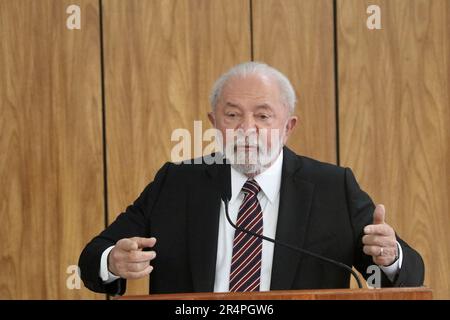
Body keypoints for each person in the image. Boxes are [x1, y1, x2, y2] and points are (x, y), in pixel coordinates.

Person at [79, 62, 424, 295]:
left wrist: (389, 256)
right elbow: (92, 259)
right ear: (214, 123)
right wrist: (112, 261)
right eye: (232, 115)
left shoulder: (333, 189)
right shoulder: (176, 183)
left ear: (289, 127)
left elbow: (409, 274)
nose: (247, 129)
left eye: (263, 116)